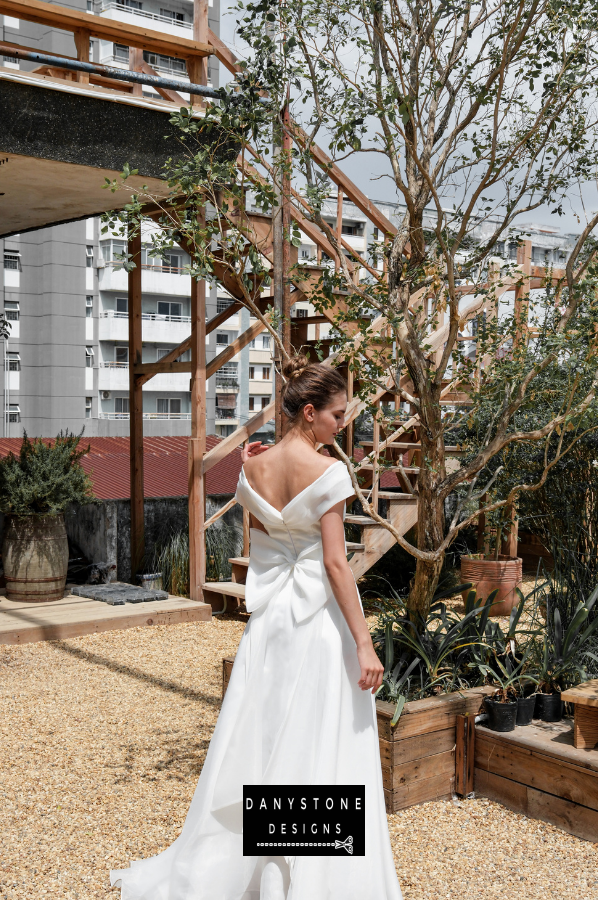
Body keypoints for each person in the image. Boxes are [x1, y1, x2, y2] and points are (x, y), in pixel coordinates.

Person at [110, 355, 402, 900]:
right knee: (316, 743)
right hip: (317, 627)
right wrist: (365, 644)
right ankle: (303, 880)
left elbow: (267, 532)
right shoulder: (332, 472)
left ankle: (271, 871)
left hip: (269, 628)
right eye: (338, 416)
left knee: (268, 740)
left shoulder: (253, 468)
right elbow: (337, 565)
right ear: (310, 413)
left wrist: (257, 463)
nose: (344, 426)